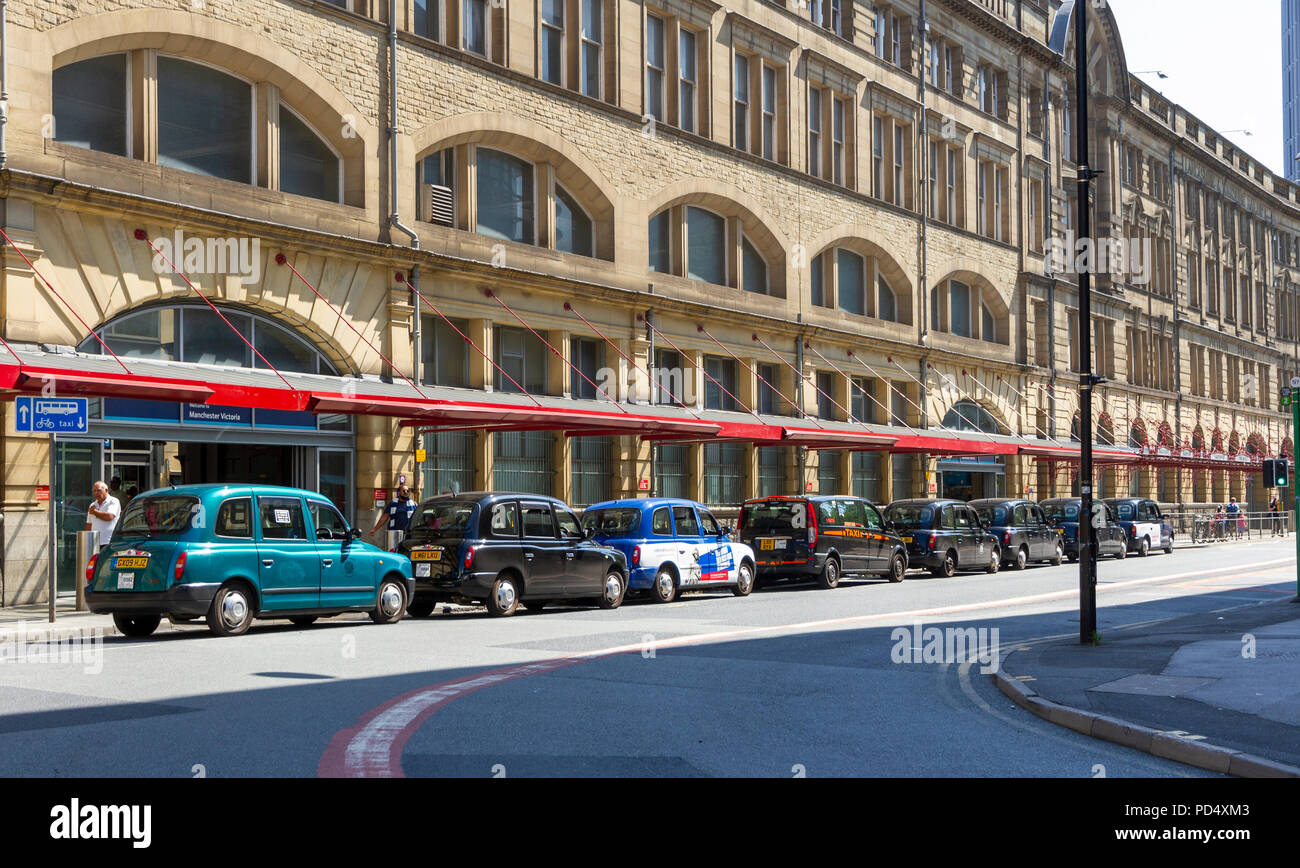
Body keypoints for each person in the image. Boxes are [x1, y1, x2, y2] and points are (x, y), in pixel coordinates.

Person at [84, 480, 121, 550]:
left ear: (106, 490)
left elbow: (109, 516)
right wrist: (86, 541)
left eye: (98, 490)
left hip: (109, 542)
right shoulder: (92, 505)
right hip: (95, 543)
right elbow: (89, 525)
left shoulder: (113, 501)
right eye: (94, 491)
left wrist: (95, 512)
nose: (96, 493)